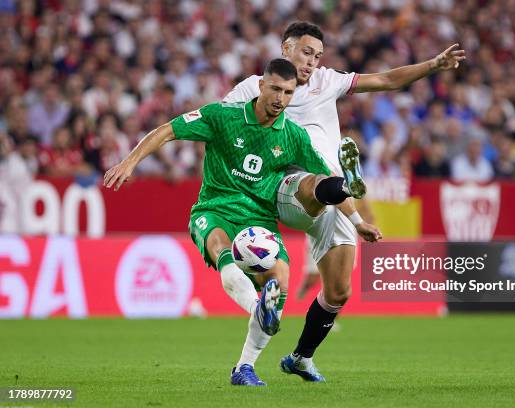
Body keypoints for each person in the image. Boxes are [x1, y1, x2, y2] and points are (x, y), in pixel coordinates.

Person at [103, 59, 371, 386]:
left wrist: (356, 220)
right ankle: (257, 307)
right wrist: (130, 162)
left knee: (281, 279)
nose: (279, 98)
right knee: (221, 249)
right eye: (274, 89)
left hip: (260, 222)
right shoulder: (223, 116)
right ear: (260, 86)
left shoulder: (292, 135)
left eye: (287, 92)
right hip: (214, 209)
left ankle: (244, 367)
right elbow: (168, 130)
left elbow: (323, 177)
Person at [223, 21, 466, 382]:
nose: (311, 62)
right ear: (285, 48)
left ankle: (300, 357)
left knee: (339, 291)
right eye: (306, 52)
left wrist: (432, 65)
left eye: (318, 56)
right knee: (315, 181)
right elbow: (222, 123)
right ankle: (342, 184)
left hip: (334, 202)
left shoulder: (327, 81)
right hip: (289, 187)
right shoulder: (255, 88)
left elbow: (384, 80)